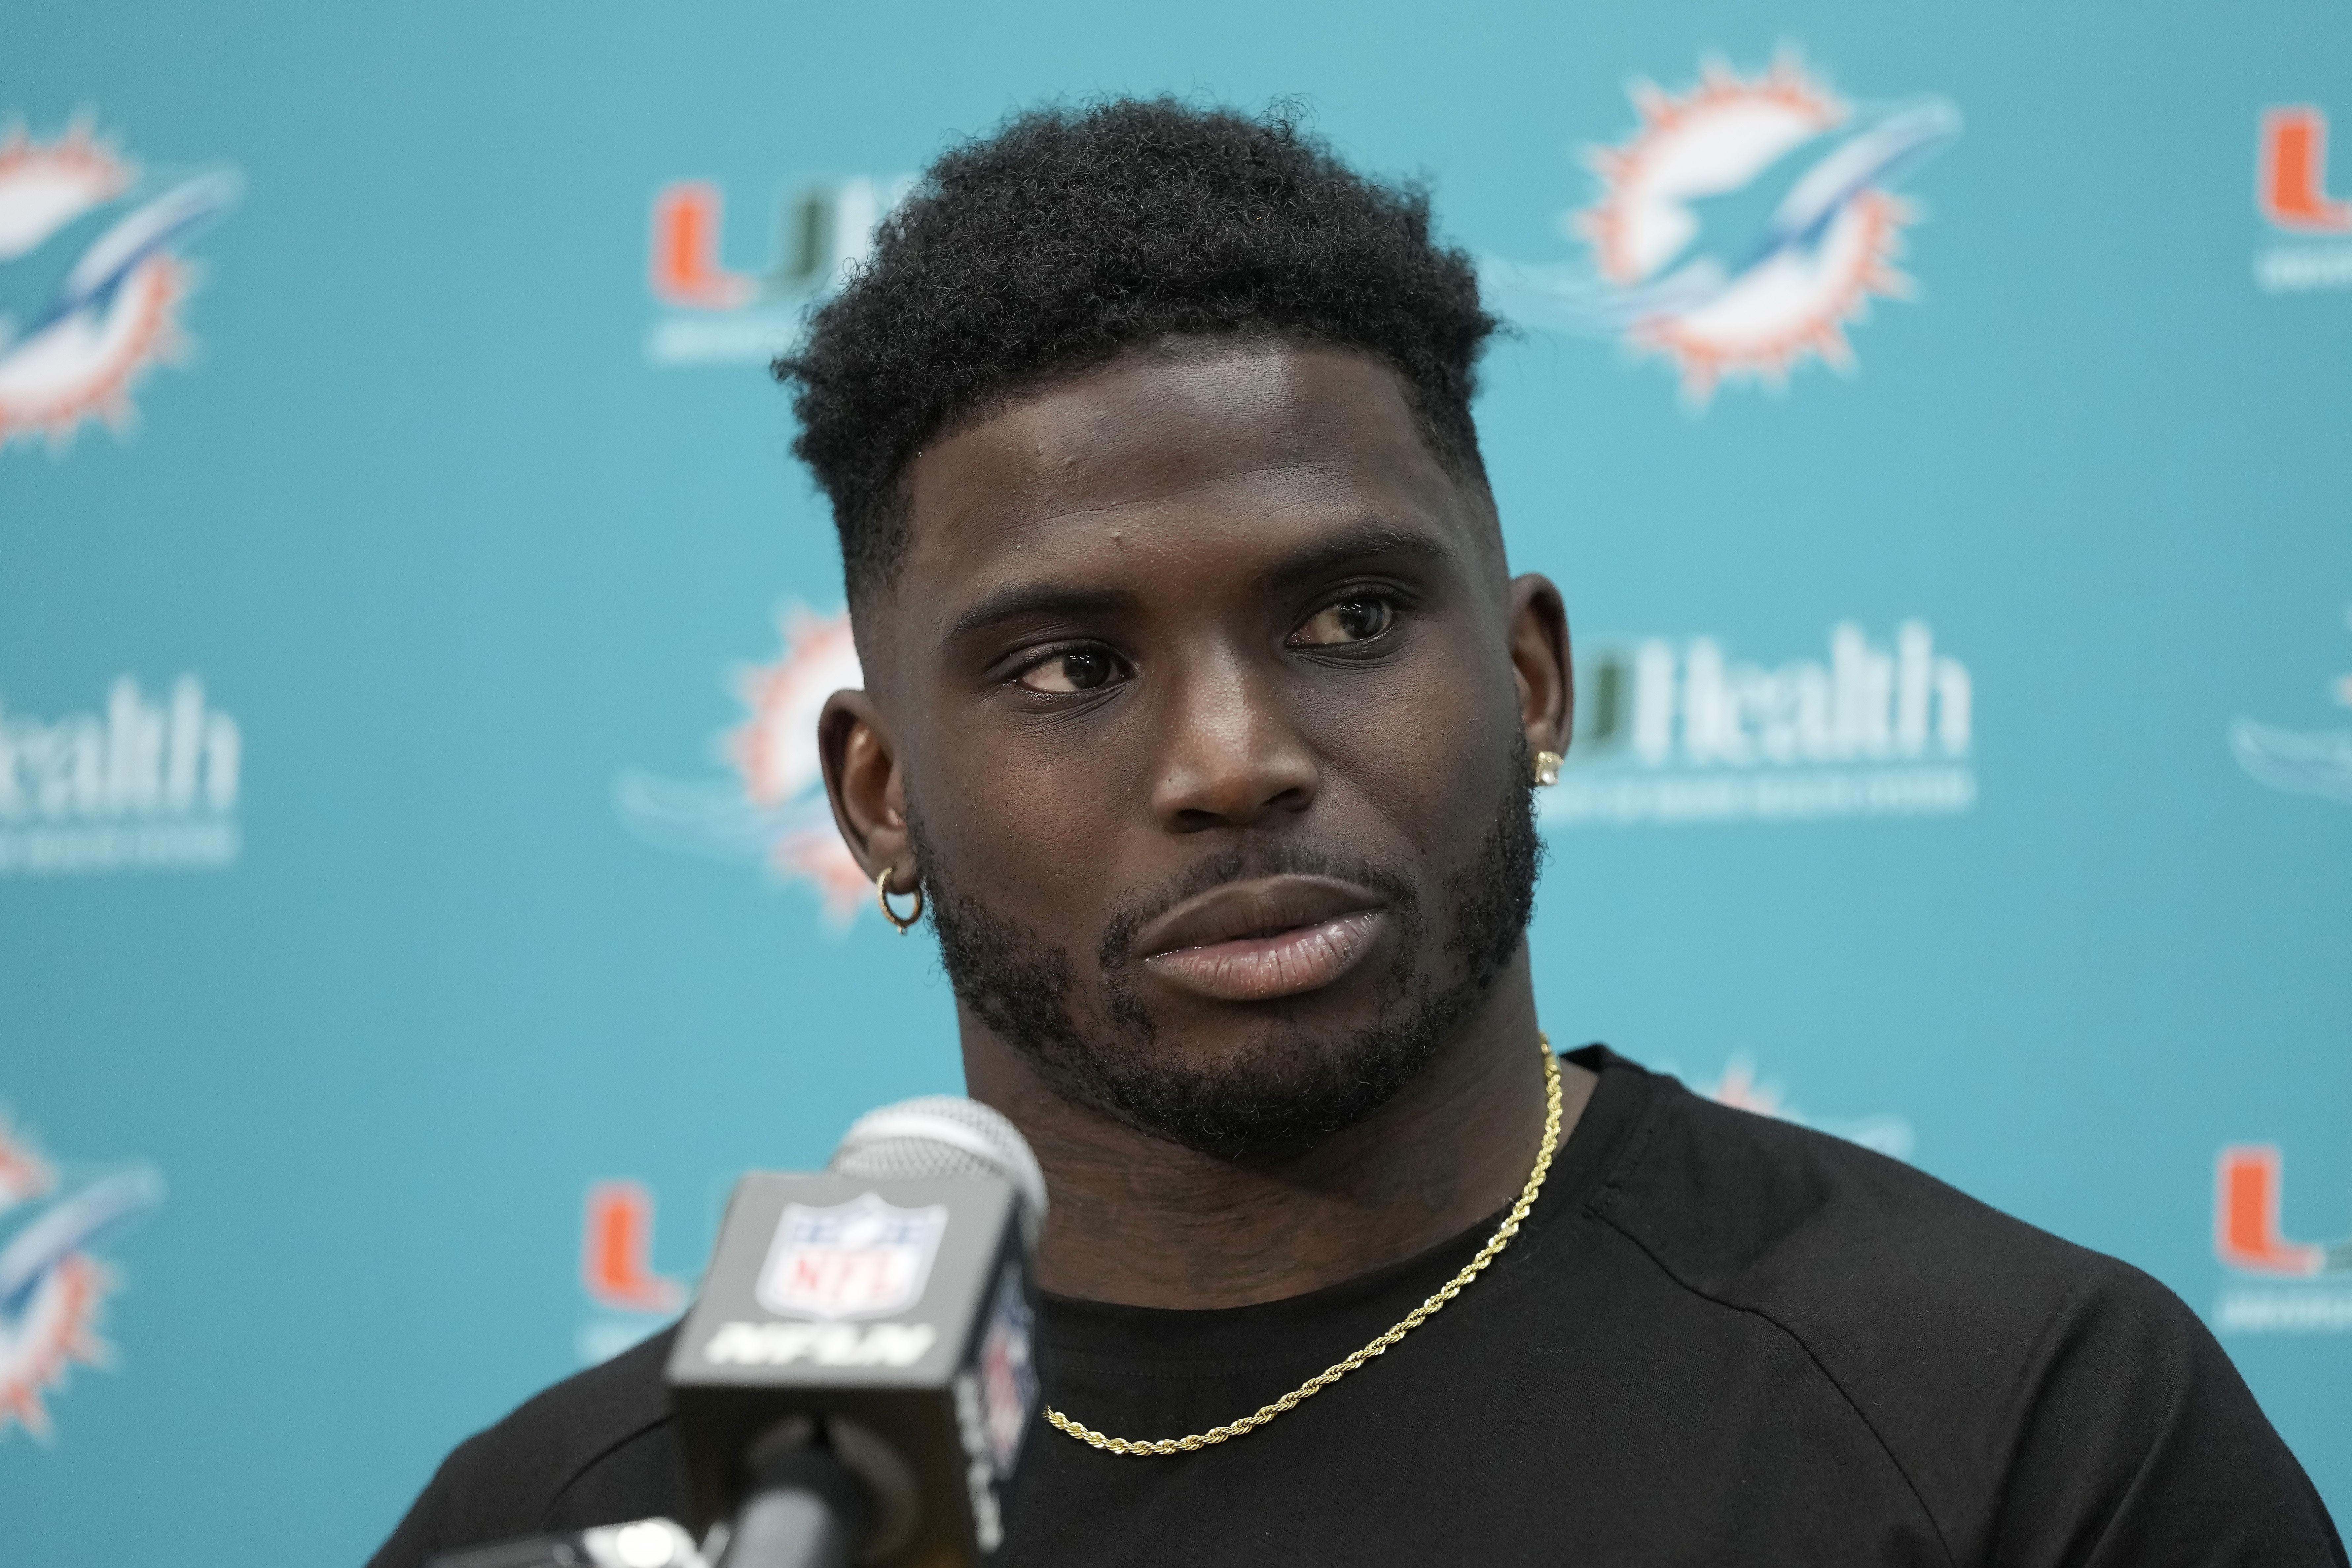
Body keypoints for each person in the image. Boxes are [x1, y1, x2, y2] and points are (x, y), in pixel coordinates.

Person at [370, 98, 2344, 1567]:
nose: (1231, 759)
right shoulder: (610, 1516)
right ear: (879, 800)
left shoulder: (2014, 1420)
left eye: (1345, 620)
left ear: (1536, 678)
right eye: (1067, 665)